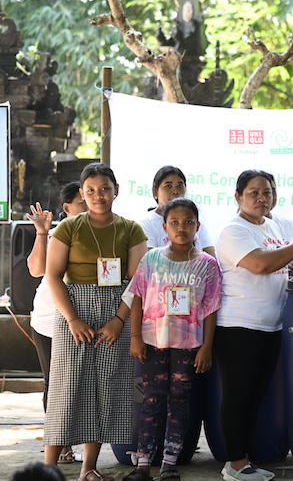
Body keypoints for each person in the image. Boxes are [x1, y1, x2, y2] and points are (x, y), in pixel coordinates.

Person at [215, 170, 293, 481]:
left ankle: (245, 461)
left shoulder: (275, 225)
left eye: (267, 192)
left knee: (254, 396)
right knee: (238, 396)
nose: (261, 198)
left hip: (272, 326)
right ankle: (234, 465)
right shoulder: (232, 230)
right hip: (239, 326)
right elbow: (261, 264)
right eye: (253, 193)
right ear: (238, 197)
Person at [43, 163, 148, 481]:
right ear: (82, 194)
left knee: (106, 389)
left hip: (117, 311)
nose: (98, 195)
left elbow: (137, 281)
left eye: (104, 188)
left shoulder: (131, 229)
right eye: (90, 190)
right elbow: (53, 275)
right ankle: (50, 468)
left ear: (116, 189)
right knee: (67, 388)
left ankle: (88, 468)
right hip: (73, 312)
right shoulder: (69, 227)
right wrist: (72, 318)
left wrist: (119, 320)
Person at [122, 198, 222, 481]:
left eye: (188, 222)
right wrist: (135, 337)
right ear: (164, 226)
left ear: (197, 226)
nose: (182, 228)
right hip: (153, 343)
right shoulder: (151, 259)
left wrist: (206, 347)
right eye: (175, 222)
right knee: (151, 400)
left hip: (188, 347)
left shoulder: (207, 265)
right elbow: (137, 298)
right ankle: (142, 464)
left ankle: (169, 463)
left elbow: (211, 309)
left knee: (179, 401)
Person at [26, 183, 87, 465]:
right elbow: (37, 269)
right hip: (50, 322)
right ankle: (59, 445)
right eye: (82, 201)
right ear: (67, 208)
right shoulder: (55, 233)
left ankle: (79, 446)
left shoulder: (104, 231)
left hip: (88, 320)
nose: (89, 204)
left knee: (83, 384)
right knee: (56, 384)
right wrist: (41, 233)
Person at [139, 165, 215, 255]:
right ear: (155, 191)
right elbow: (150, 262)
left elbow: (211, 258)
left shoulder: (194, 220)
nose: (175, 191)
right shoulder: (146, 224)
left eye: (179, 186)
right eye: (169, 186)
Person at [264, 172, 293, 273]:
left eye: (271, 191)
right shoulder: (238, 228)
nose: (265, 198)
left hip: (286, 288)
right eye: (255, 193)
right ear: (239, 197)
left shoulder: (289, 224)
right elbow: (258, 266)